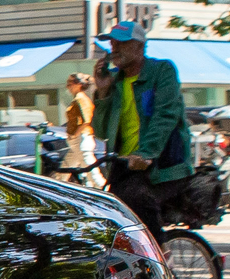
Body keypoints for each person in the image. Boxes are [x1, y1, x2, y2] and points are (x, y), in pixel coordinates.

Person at [91, 21, 190, 229]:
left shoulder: (161, 71)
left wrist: (146, 153)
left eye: (122, 43)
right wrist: (102, 92)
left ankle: (159, 255)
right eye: (112, 44)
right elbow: (100, 131)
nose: (114, 49)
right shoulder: (115, 83)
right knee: (105, 216)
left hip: (161, 165)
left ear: (140, 47)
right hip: (124, 166)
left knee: (136, 201)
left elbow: (165, 115)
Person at [59, 73, 95, 180]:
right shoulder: (78, 98)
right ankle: (57, 189)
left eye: (69, 84)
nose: (67, 87)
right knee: (64, 170)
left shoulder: (81, 98)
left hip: (82, 139)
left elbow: (87, 120)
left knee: (91, 171)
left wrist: (75, 134)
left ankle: (104, 190)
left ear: (78, 84)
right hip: (77, 141)